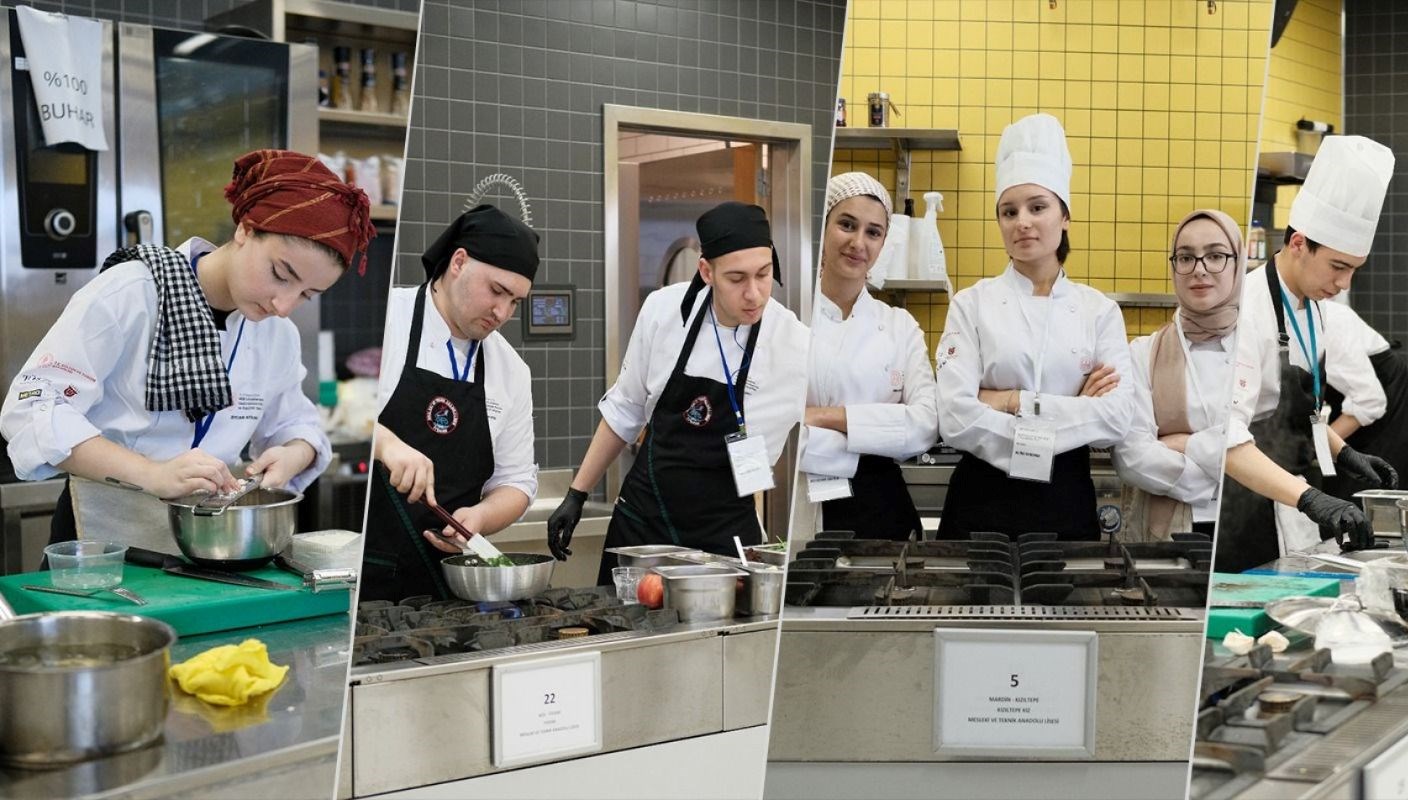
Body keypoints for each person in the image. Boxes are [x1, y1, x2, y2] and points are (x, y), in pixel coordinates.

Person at [0, 149, 375, 557]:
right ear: (246, 230)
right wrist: (151, 473)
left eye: (306, 294)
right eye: (281, 274)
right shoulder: (131, 293)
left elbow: (296, 424)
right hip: (106, 545)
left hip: (217, 549)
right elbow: (31, 409)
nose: (283, 305)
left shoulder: (276, 333)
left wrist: (291, 454)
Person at [545, 201, 809, 584]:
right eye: (736, 279)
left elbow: (792, 443)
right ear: (706, 271)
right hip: (644, 526)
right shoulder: (663, 311)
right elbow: (626, 409)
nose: (754, 294)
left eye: (763, 275)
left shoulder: (793, 343)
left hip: (723, 533)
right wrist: (576, 495)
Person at [934, 113, 1135, 541]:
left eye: (1037, 207)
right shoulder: (971, 305)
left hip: (1066, 501)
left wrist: (1008, 400)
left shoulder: (1098, 311)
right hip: (979, 502)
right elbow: (954, 416)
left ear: (1064, 216)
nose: (1022, 221)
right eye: (1009, 211)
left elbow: (1117, 417)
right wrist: (1074, 408)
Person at [1218, 135, 1399, 574]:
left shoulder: (1315, 311)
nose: (1345, 283)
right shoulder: (1246, 310)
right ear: (1299, 243)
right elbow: (1227, 436)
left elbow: (1302, 412)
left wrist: (1343, 453)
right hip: (1249, 511)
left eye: (1354, 269)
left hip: (1294, 502)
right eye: (1338, 266)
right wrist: (1310, 498)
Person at [359, 205, 540, 602]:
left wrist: (481, 520)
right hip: (362, 577)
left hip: (449, 591)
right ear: (458, 262)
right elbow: (335, 420)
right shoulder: (387, 319)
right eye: (496, 291)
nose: (502, 312)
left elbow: (516, 481)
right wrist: (387, 444)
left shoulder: (510, 369)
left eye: (515, 302)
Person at [801, 172, 938, 540]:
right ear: (822, 227)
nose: (858, 242)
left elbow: (924, 425)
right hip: (797, 502)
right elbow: (769, 424)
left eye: (873, 232)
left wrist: (818, 417)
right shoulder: (784, 319)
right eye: (847, 224)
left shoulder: (899, 326)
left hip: (880, 510)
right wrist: (876, 432)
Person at [1112, 210, 1243, 540]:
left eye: (1215, 256)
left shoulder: (1261, 348)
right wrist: (1216, 479)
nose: (1199, 269)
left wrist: (1185, 444)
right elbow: (1131, 456)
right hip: (1170, 532)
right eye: (1186, 257)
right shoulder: (1143, 353)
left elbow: (1268, 443)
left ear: (1237, 262)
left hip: (1248, 525)